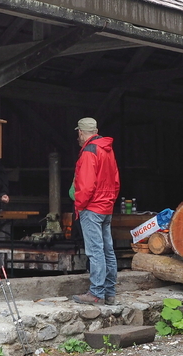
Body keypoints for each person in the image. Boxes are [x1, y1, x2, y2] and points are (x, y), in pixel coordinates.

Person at [69, 117, 120, 306]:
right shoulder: (107, 150)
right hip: (106, 207)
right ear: (96, 130)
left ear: (81, 133)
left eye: (78, 134)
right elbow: (115, 180)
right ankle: (110, 292)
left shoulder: (89, 152)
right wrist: (110, 202)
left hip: (91, 208)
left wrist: (79, 205)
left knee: (95, 251)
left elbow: (87, 185)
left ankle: (96, 293)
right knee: (108, 250)